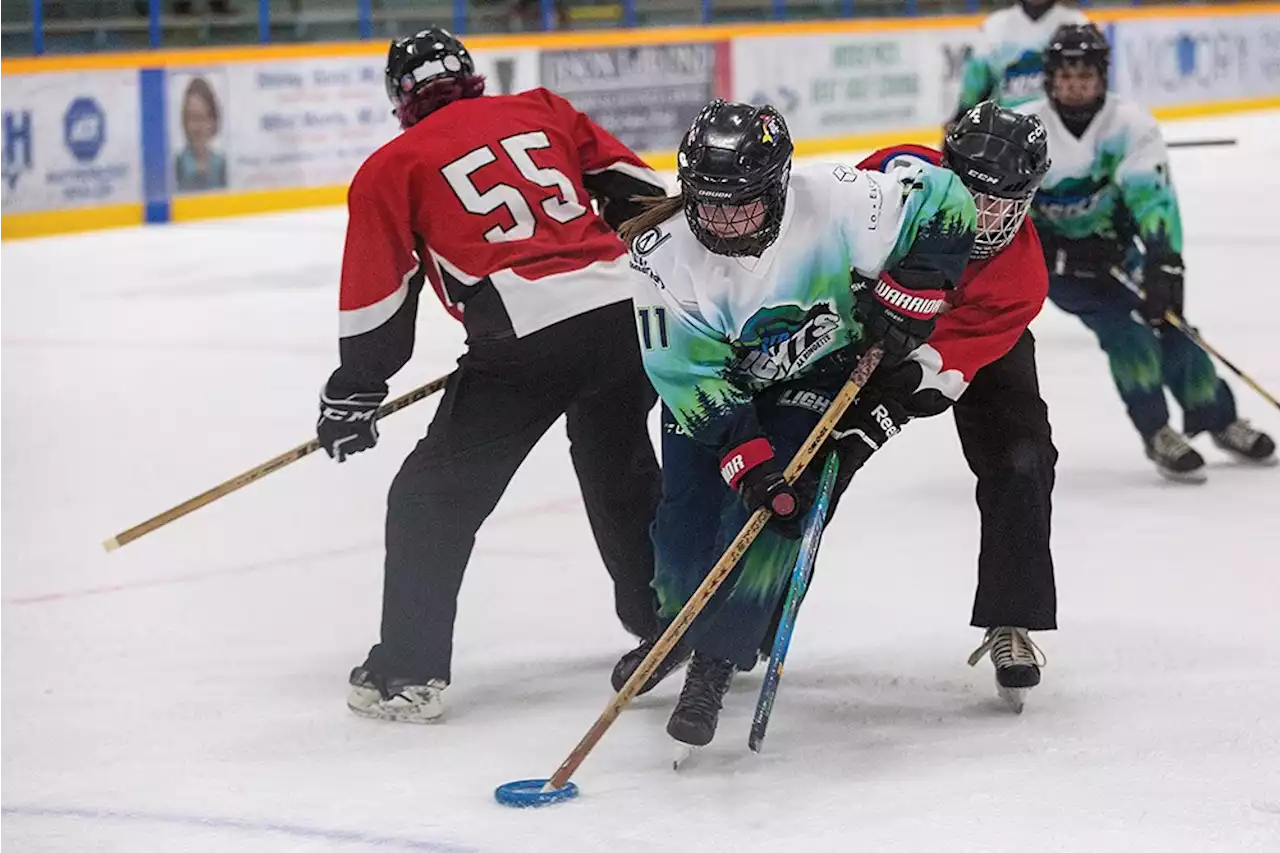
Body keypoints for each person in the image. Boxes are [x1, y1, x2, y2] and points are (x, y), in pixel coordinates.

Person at [316, 27, 670, 723]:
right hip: (627, 315)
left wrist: (355, 390)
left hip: (525, 336)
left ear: (401, 98)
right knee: (617, 462)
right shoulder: (541, 109)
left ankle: (407, 672)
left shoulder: (394, 164)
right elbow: (643, 194)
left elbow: (381, 295)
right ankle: (665, 616)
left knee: (428, 499)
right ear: (473, 77)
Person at [614, 99, 978, 749]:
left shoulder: (839, 201)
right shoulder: (659, 254)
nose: (722, 221)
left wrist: (912, 296)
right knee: (683, 519)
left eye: (741, 204)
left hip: (811, 379)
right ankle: (675, 628)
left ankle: (716, 660)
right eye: (708, 202)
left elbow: (946, 198)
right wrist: (744, 457)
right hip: (712, 391)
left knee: (775, 513)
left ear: (778, 186)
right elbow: (686, 376)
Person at [856, 102, 1057, 710]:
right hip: (863, 326)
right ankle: (736, 624)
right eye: (974, 194)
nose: (985, 216)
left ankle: (1012, 620)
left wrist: (904, 386)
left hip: (969, 342)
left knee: (1023, 459)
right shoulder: (889, 180)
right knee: (800, 469)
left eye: (1005, 203)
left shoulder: (1021, 276)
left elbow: (955, 357)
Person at [1020, 23, 1275, 482]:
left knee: (1175, 327)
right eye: (1066, 75)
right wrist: (1060, 252)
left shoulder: (1129, 127)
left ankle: (1217, 419)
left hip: (1121, 253)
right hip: (1055, 268)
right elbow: (1005, 208)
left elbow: (1153, 200)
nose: (1075, 85)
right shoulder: (1025, 129)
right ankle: (1156, 430)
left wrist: (1164, 262)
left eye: (1085, 75)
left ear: (1102, 76)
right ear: (1050, 78)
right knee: (1129, 334)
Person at [950, 0, 1088, 127]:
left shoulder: (1078, 24)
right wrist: (960, 120)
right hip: (1008, 133)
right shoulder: (994, 26)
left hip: (1063, 130)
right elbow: (974, 89)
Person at [174, 76, 228, 192]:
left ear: (213, 121)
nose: (197, 128)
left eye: (202, 118)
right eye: (192, 119)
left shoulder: (222, 166)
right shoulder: (175, 167)